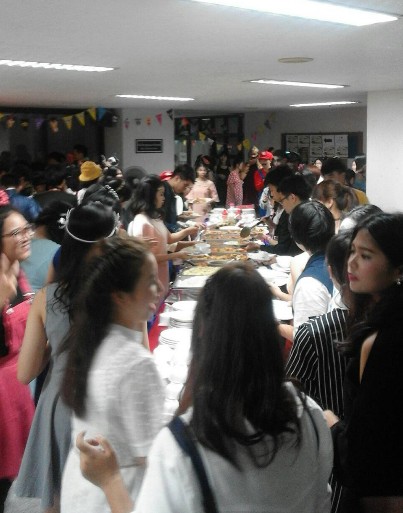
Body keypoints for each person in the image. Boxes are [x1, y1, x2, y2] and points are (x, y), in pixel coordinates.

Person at [75, 262, 333, 513]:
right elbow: (322, 501)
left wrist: (110, 479)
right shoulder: (312, 417)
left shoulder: (181, 446)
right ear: (272, 330)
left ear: (202, 331)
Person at [15, 202, 120, 513]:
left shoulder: (47, 298)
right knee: (108, 495)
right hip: (109, 403)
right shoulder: (124, 294)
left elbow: (25, 373)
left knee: (59, 498)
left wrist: (56, 343)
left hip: (62, 404)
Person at [60, 237, 165, 513]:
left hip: (83, 489)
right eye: (150, 281)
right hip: (120, 495)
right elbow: (153, 455)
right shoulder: (136, 363)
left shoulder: (92, 338)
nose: (160, 288)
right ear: (120, 296)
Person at [324, 213, 403, 513]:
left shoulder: (382, 342)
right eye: (352, 251)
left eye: (366, 255)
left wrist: (330, 423)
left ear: (398, 268)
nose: (351, 263)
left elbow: (361, 456)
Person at [286, 231, 351, 513]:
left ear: (330, 271)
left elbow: (290, 396)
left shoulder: (314, 333)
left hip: (328, 461)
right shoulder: (390, 327)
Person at [0, 205, 35, 513]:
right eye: (16, 232)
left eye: (27, 229)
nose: (26, 237)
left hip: (17, 389)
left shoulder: (17, 271)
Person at [128, 175, 198, 299]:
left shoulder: (154, 217)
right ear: (150, 196)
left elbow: (169, 238)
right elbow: (149, 258)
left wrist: (188, 231)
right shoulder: (143, 222)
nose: (164, 198)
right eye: (161, 194)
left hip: (162, 272)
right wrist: (176, 255)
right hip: (152, 276)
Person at [278, 200, 335, 341]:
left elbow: (305, 339)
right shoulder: (339, 258)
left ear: (295, 236)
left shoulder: (310, 284)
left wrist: (273, 326)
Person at [161, 164, 195, 232]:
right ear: (177, 178)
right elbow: (160, 220)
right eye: (185, 185)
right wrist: (177, 229)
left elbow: (170, 218)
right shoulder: (164, 191)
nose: (185, 188)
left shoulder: (172, 191)